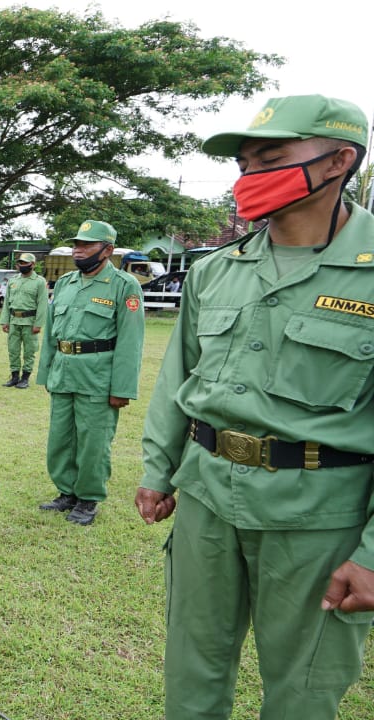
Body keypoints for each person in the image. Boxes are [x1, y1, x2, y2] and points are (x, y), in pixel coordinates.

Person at [137, 95, 374, 719]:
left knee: (302, 691)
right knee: (192, 668)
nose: (249, 179)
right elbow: (177, 380)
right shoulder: (217, 269)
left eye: (271, 159)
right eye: (244, 164)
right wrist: (157, 471)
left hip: (319, 517)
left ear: (336, 162)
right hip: (208, 499)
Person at [35, 219, 144, 526]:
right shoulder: (66, 283)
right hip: (64, 372)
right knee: (60, 438)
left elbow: (130, 341)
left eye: (86, 245)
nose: (78, 251)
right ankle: (66, 492)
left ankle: (88, 498)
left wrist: (122, 388)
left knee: (93, 442)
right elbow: (51, 334)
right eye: (77, 245)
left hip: (98, 377)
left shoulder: (124, 285)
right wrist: (46, 373)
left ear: (107, 250)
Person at [0, 252, 49, 389]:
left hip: (29, 321)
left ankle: (25, 378)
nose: (21, 265)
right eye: (20, 263)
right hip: (14, 320)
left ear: (32, 264)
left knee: (29, 351)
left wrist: (38, 324)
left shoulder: (39, 282)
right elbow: (7, 303)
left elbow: (42, 304)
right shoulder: (13, 280)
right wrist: (5, 321)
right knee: (13, 350)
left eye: (24, 263)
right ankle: (14, 377)